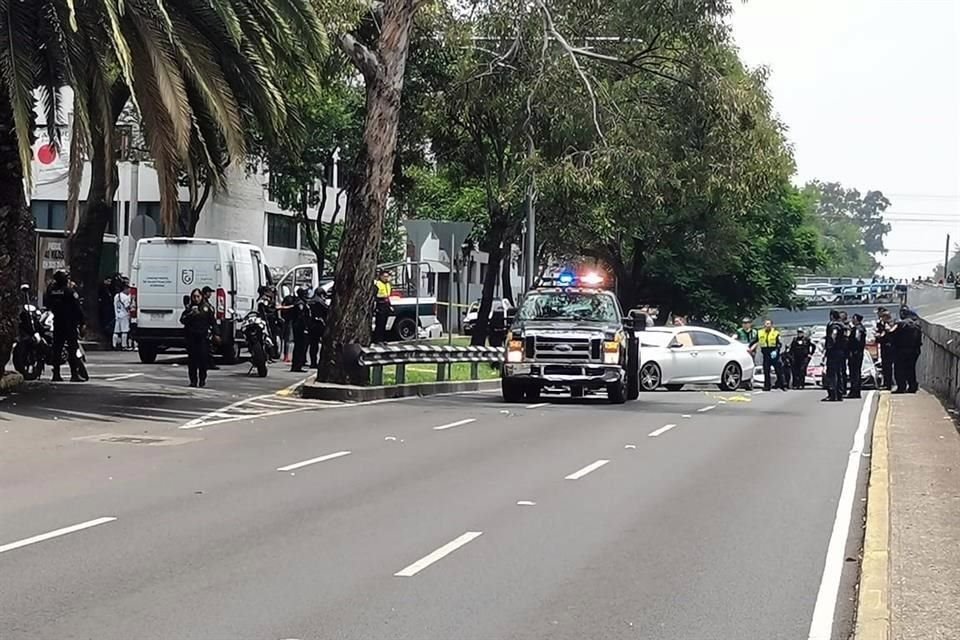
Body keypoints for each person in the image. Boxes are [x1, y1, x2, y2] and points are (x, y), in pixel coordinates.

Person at [45, 270, 86, 383]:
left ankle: (56, 374)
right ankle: (74, 374)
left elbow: (47, 304)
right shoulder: (69, 292)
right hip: (70, 323)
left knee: (57, 348)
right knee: (72, 348)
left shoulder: (51, 292)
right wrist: (83, 322)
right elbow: (78, 309)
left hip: (57, 322)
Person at [180, 288, 215, 387]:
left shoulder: (207, 308)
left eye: (198, 296)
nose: (196, 299)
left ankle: (202, 379)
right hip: (191, 338)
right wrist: (191, 314)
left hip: (203, 338)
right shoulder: (189, 308)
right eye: (194, 297)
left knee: (203, 360)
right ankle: (193, 380)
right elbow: (182, 320)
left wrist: (216, 334)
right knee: (192, 361)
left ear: (201, 297)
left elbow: (212, 321)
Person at [893, 307, 922, 394]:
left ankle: (901, 387)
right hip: (914, 350)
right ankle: (912, 386)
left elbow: (894, 336)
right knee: (911, 369)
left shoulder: (901, 324)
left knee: (899, 369)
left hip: (902, 350)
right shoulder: (916, 325)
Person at [823, 310, 847, 402]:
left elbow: (834, 335)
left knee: (831, 373)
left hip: (834, 351)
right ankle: (840, 393)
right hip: (841, 351)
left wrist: (829, 346)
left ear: (832, 316)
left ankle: (832, 394)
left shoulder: (834, 325)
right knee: (839, 372)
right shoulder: (843, 326)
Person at [756, 319, 786, 391]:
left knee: (779, 370)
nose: (767, 325)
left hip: (774, 354)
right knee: (766, 371)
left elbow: (779, 344)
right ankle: (767, 386)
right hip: (766, 354)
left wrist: (776, 351)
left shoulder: (776, 333)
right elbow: (755, 340)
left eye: (768, 324)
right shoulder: (760, 332)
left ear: (771, 325)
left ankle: (783, 385)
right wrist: (749, 347)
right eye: (766, 324)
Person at [289, 286, 311, 372]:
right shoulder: (300, 303)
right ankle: (297, 366)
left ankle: (298, 365)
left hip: (299, 327)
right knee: (300, 347)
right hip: (300, 328)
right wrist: (305, 328)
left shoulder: (300, 302)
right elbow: (301, 317)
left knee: (301, 347)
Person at [847, 314, 867, 399]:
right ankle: (855, 390)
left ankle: (855, 391)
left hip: (855, 353)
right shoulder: (860, 328)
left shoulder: (858, 329)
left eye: (853, 318)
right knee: (856, 372)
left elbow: (857, 339)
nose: (852, 320)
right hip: (858, 352)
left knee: (854, 373)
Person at [875, 308, 896, 390]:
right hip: (884, 346)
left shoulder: (890, 323)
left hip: (889, 347)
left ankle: (889, 383)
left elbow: (887, 333)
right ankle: (886, 382)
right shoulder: (881, 323)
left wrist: (880, 335)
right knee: (885, 366)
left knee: (888, 366)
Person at [373, 270, 394, 344]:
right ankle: (377, 340)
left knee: (384, 323)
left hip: (386, 305)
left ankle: (383, 339)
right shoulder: (377, 284)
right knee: (379, 323)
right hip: (380, 304)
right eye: (384, 276)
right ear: (381, 276)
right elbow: (374, 296)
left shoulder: (388, 284)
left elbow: (387, 297)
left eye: (387, 276)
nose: (386, 278)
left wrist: (390, 306)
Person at [113, 283, 132, 350]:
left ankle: (114, 345)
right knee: (125, 331)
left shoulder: (116, 296)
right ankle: (124, 345)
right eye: (129, 289)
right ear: (125, 289)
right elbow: (127, 307)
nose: (129, 291)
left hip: (117, 315)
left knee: (116, 331)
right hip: (124, 315)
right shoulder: (125, 297)